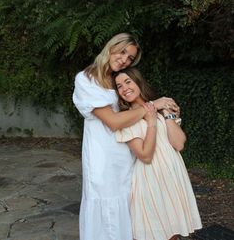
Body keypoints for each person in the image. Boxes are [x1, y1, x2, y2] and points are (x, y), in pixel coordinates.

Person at [72, 33, 179, 240]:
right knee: (107, 212)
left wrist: (166, 113)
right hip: (102, 158)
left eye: (130, 58)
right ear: (111, 47)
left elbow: (135, 108)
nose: (124, 60)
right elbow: (113, 122)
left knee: (131, 210)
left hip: (128, 152)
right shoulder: (86, 80)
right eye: (122, 52)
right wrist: (154, 105)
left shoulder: (116, 79)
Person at [114, 67, 202, 240]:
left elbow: (178, 143)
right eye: (119, 86)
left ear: (138, 82)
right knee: (156, 232)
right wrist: (152, 124)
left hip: (173, 174)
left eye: (127, 82)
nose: (124, 88)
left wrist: (167, 115)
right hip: (150, 179)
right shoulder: (127, 118)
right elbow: (145, 156)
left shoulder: (161, 106)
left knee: (173, 231)